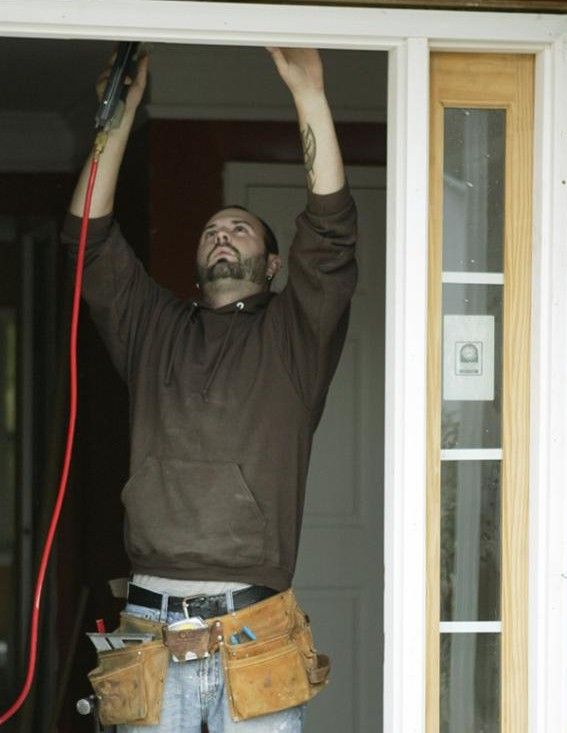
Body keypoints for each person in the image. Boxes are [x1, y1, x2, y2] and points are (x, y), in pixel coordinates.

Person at [63, 46, 357, 733]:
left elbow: (333, 232)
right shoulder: (153, 328)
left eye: (239, 228)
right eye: (209, 230)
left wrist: (308, 93)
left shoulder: (295, 336)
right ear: (196, 260)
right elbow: (87, 239)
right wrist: (123, 112)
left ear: (273, 261)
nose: (221, 235)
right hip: (148, 630)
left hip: (254, 634)